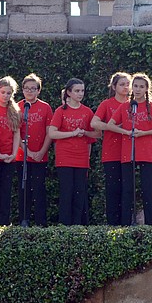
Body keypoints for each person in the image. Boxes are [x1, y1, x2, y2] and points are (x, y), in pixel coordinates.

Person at [106, 72, 152, 225]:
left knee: (147, 191)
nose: (138, 89)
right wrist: (126, 132)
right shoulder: (125, 106)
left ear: (147, 89)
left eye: (142, 86)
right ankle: (126, 225)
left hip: (147, 153)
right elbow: (110, 125)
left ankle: (149, 227)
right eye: (135, 86)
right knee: (127, 191)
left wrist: (145, 133)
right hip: (128, 154)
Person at [49, 78, 99, 225]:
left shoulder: (87, 111)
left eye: (82, 91)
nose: (80, 94)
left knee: (80, 193)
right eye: (77, 91)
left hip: (81, 157)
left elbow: (97, 133)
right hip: (65, 157)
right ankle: (64, 225)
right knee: (66, 192)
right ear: (69, 92)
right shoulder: (61, 111)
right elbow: (52, 133)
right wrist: (71, 133)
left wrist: (84, 132)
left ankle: (78, 226)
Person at [91, 72, 131, 225]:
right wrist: (112, 127)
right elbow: (94, 123)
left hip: (129, 153)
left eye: (128, 84)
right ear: (114, 87)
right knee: (112, 190)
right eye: (122, 84)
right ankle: (112, 224)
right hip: (111, 152)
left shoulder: (134, 104)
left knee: (127, 190)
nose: (126, 87)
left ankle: (126, 224)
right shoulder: (106, 104)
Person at [16, 73, 54, 227]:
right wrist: (27, 152)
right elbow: (16, 132)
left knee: (39, 190)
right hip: (22, 157)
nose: (30, 91)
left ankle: (40, 223)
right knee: (23, 189)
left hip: (40, 156)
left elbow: (49, 132)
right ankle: (23, 221)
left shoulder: (45, 107)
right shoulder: (18, 106)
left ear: (39, 91)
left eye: (33, 89)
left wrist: (41, 152)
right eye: (26, 88)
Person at [0, 76, 21, 225]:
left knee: (6, 191)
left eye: (9, 93)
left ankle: (4, 222)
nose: (5, 96)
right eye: (3, 92)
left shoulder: (15, 110)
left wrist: (14, 154)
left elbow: (17, 134)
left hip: (9, 156)